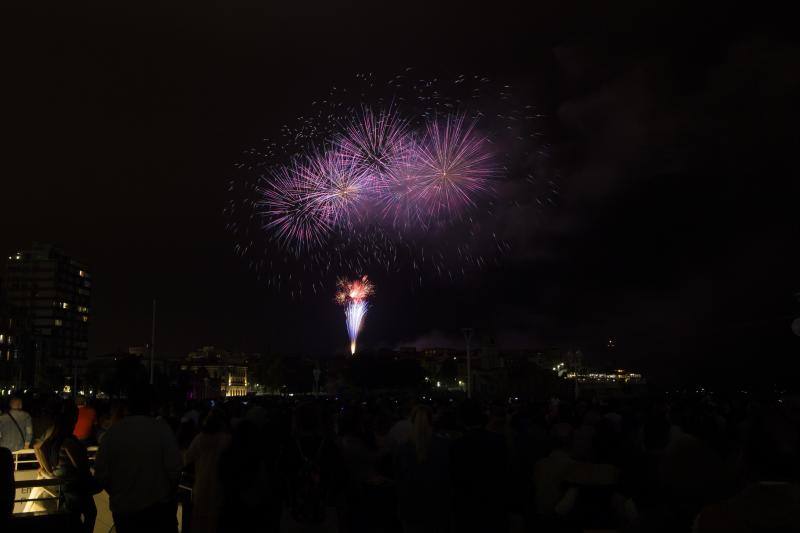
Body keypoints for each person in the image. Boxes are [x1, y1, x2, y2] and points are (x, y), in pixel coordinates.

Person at [95, 388, 182, 533]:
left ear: (127, 407)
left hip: (125, 510)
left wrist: (118, 493)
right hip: (159, 510)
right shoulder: (161, 429)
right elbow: (175, 469)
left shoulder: (112, 434)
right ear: (151, 406)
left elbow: (101, 475)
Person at [451, 400, 509, 533]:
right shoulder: (498, 441)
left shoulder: (457, 445)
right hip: (494, 503)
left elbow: (455, 476)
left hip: (467, 504)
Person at [38, 401, 97, 533]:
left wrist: (48, 471)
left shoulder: (52, 436)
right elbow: (82, 470)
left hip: (62, 487)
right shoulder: (69, 442)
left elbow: (38, 448)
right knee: (91, 513)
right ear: (73, 418)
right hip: (75, 489)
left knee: (70, 520)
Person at [394, 405, 451, 533]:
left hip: (411, 508)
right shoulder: (444, 446)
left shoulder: (403, 450)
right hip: (438, 507)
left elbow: (399, 480)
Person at [184, 408, 231, 533]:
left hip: (201, 485)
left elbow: (187, 458)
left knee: (200, 523)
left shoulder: (200, 439)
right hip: (220, 488)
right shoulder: (227, 440)